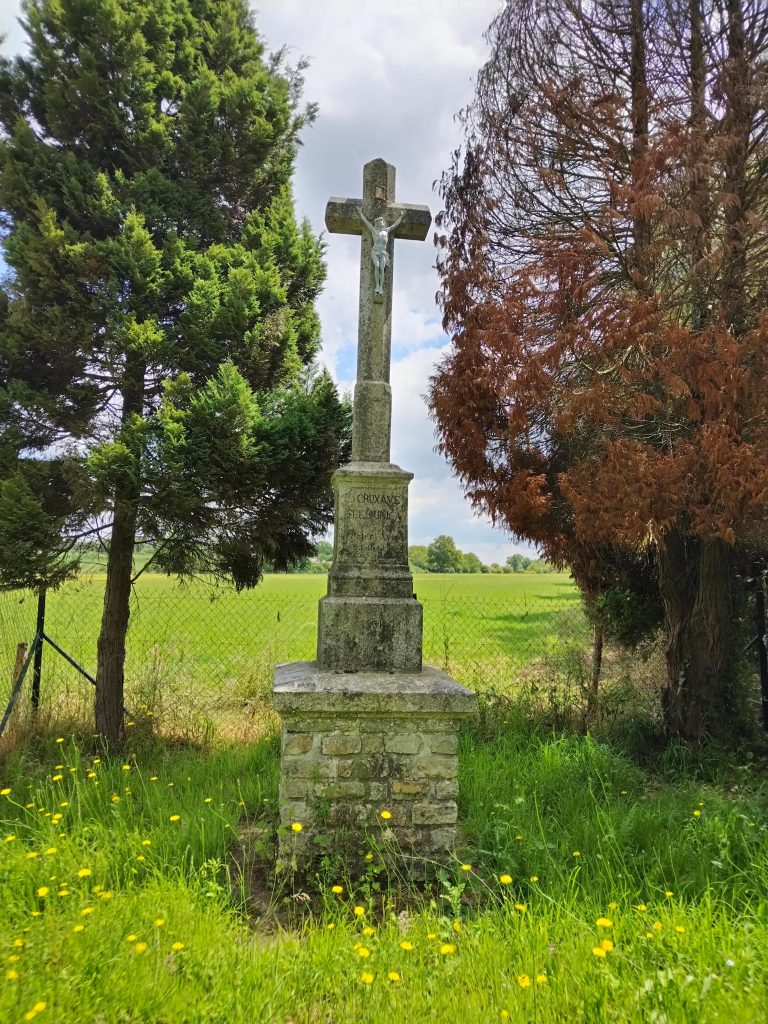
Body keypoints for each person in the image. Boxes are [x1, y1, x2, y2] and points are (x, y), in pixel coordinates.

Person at [358, 207, 405, 294]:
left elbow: (395, 225)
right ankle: (377, 286)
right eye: (380, 221)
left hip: (383, 252)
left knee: (382, 268)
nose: (382, 222)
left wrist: (401, 217)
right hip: (375, 251)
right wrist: (360, 213)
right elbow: (366, 222)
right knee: (377, 266)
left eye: (382, 221)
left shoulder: (386, 231)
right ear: (377, 223)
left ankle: (380, 287)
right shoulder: (374, 230)